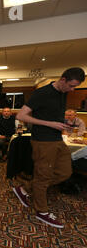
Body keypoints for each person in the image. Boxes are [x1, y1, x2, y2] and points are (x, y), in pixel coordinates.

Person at [14, 67, 86, 228]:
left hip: (57, 139)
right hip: (43, 141)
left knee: (65, 172)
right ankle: (42, 211)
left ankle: (25, 189)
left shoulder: (63, 92)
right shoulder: (42, 93)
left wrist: (63, 123)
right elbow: (21, 115)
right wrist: (50, 124)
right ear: (63, 80)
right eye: (71, 86)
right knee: (43, 176)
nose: (73, 89)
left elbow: (52, 113)